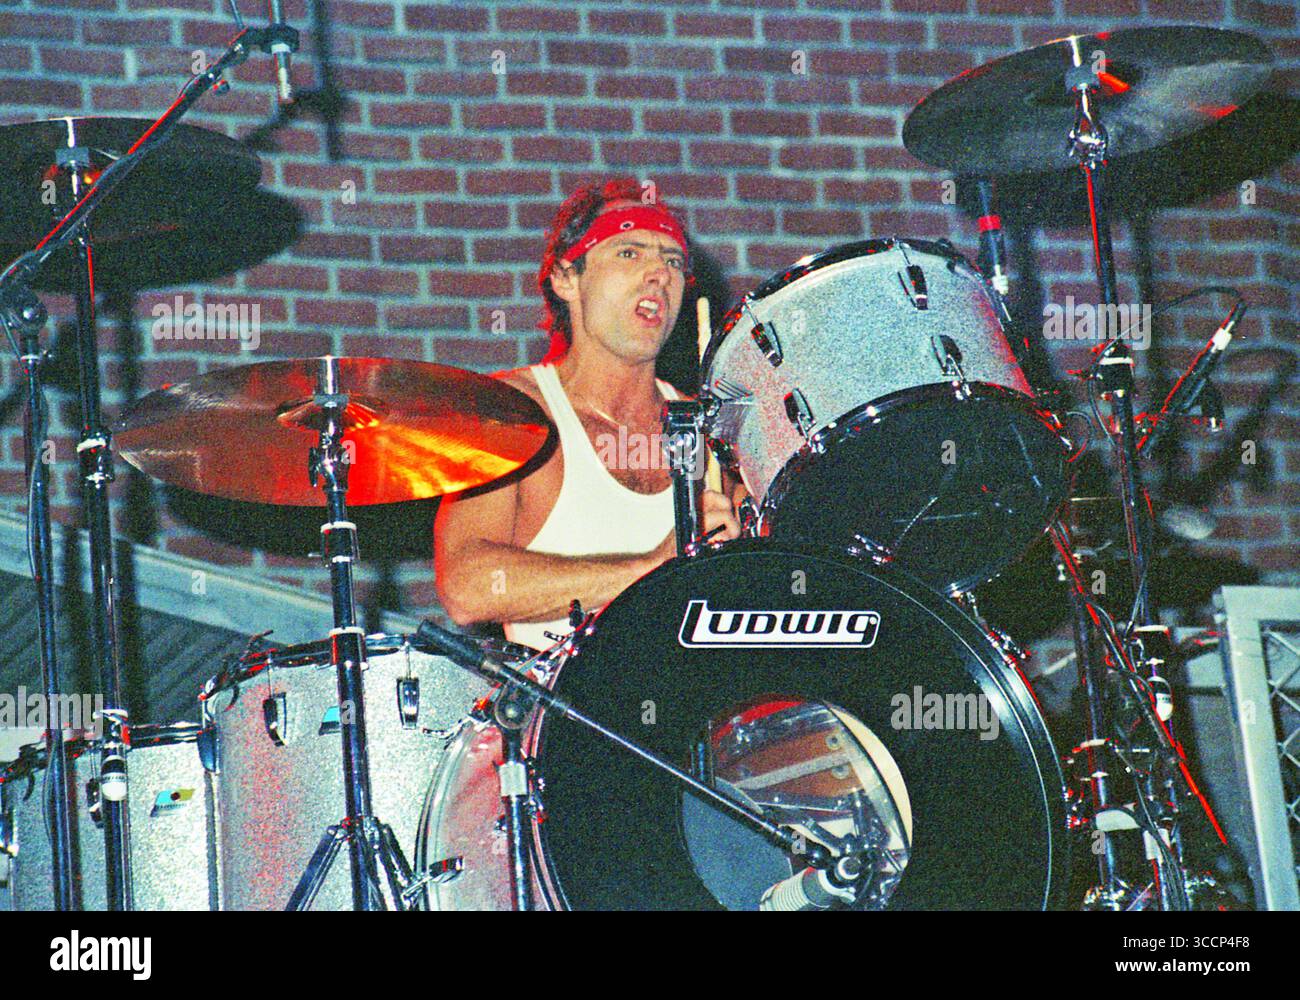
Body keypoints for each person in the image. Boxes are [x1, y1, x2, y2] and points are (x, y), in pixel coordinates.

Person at [434, 177, 744, 650]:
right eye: (629, 252)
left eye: (673, 261)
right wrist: (653, 569)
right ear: (565, 278)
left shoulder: (711, 427)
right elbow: (467, 587)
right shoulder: (514, 412)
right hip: (564, 714)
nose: (659, 273)